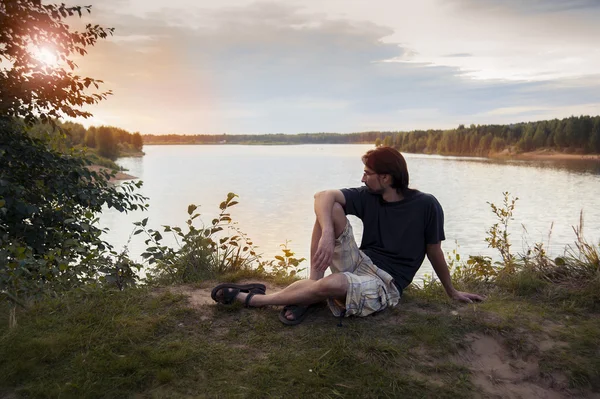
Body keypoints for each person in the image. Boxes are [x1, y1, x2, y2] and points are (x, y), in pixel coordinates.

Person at [211, 146, 484, 324]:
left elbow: (433, 250)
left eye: (368, 173)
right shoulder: (369, 196)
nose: (363, 179)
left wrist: (451, 291)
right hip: (360, 262)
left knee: (334, 285)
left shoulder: (426, 205)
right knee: (330, 209)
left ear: (386, 178)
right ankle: (311, 286)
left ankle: (254, 299)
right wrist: (328, 232)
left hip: (386, 283)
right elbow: (322, 196)